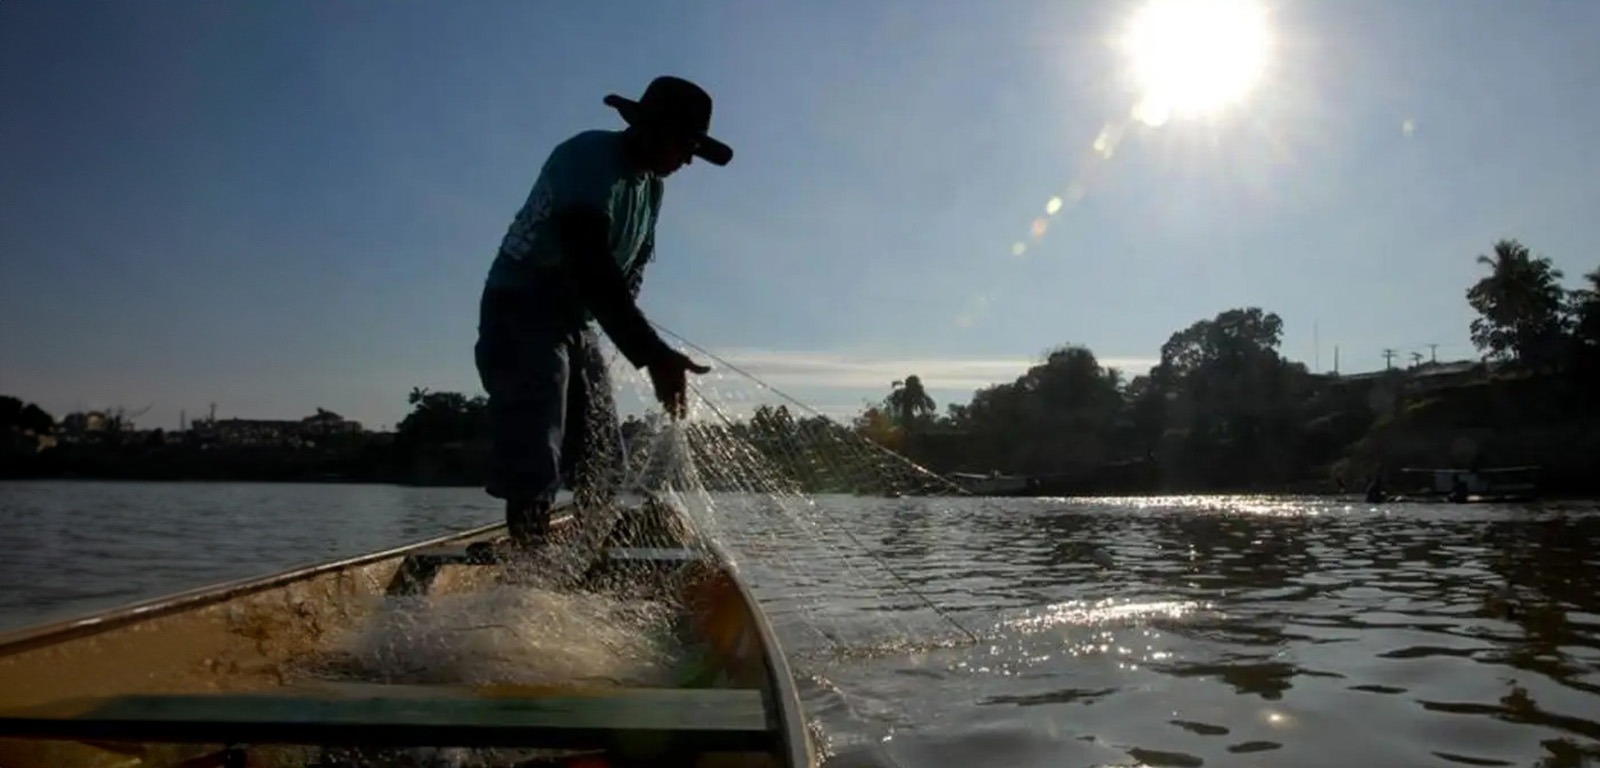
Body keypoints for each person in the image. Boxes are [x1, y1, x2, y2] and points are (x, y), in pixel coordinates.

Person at [474, 76, 728, 547]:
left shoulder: (652, 188)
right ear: (649, 129)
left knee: (603, 457)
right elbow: (591, 262)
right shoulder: (589, 159)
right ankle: (528, 569)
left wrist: (641, 345)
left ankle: (583, 557)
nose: (689, 159)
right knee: (537, 436)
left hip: (576, 321)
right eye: (684, 144)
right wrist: (651, 353)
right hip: (521, 306)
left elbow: (624, 278)